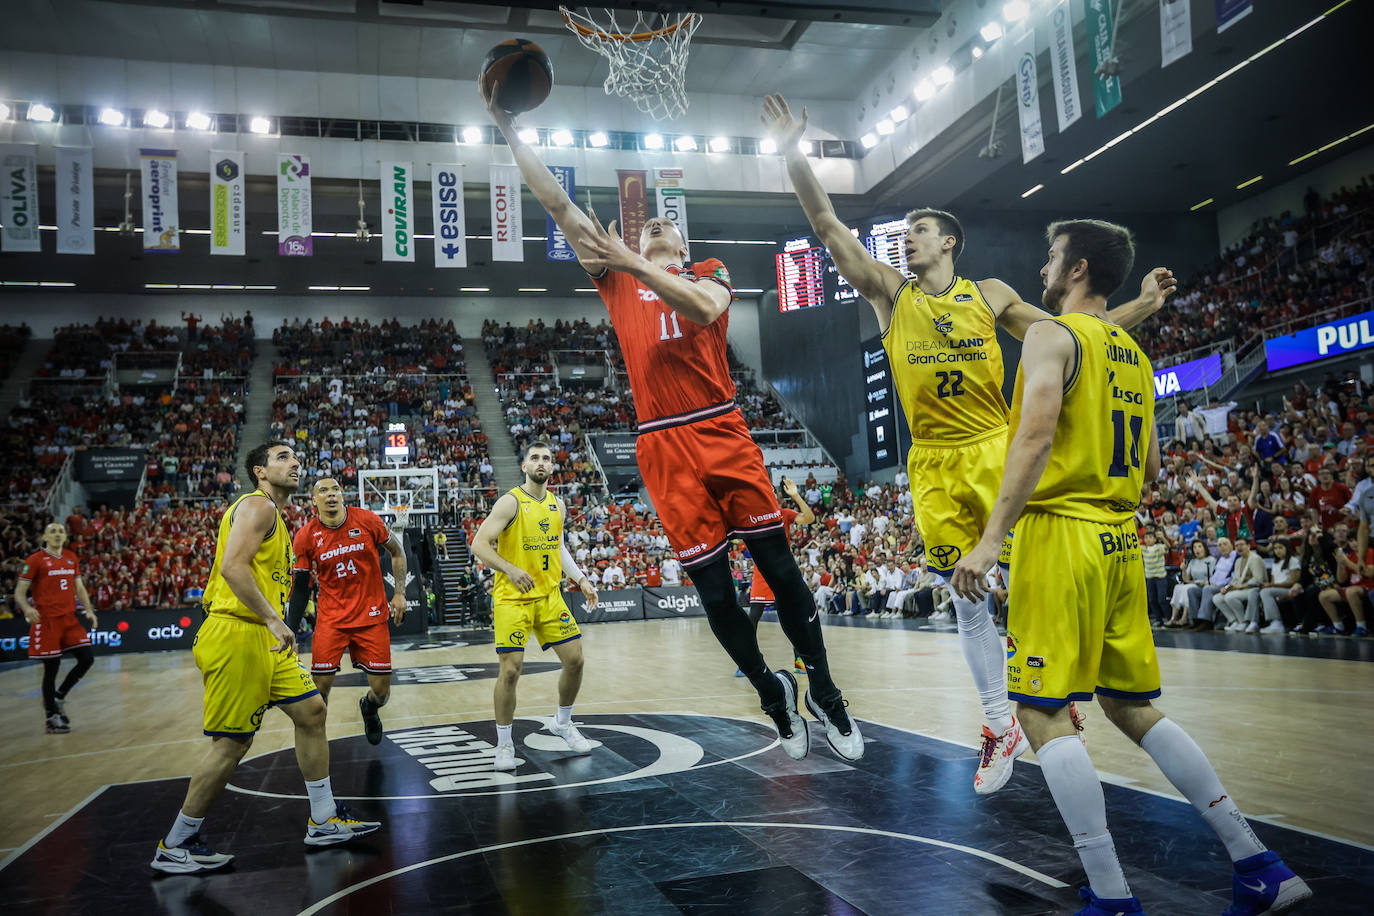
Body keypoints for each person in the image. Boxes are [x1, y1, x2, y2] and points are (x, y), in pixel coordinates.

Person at [762, 93, 1173, 791]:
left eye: (919, 231)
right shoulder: (891, 294)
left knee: (1032, 574)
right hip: (932, 461)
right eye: (905, 233)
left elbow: (1071, 336)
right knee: (966, 595)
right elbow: (828, 226)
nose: (908, 240)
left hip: (994, 445)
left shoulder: (991, 294)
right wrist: (793, 152)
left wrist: (1140, 308)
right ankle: (997, 721)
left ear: (948, 241)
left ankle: (1055, 691)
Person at [485, 84, 861, 762]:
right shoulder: (615, 280)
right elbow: (557, 203)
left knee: (780, 570)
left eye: (665, 224)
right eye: (645, 227)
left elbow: (703, 309)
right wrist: (508, 129)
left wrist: (632, 257)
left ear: (682, 243)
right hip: (662, 443)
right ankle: (771, 693)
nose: (655, 223)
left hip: (721, 427)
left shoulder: (709, 270)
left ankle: (828, 692)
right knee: (715, 595)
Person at [950, 219, 1309, 916]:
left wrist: (992, 538)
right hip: (1121, 538)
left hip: (1063, 535)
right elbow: (1148, 467)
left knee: (1041, 713)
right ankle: (1256, 862)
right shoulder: (1135, 355)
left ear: (1077, 268)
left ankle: (1112, 896)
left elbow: (1035, 436)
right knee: (1130, 705)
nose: (1043, 267)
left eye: (1051, 256)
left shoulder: (1051, 336)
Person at [151, 443, 380, 874]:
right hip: (238, 633)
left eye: (296, 458)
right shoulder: (259, 506)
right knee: (232, 744)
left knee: (312, 711)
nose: (295, 463)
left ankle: (324, 819)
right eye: (283, 457)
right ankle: (176, 843)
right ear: (260, 471)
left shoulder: (275, 514)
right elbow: (233, 568)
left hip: (262, 637)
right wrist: (276, 620)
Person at [469, 441, 600, 772]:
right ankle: (503, 744)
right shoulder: (510, 502)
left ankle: (562, 723)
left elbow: (558, 547)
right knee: (511, 670)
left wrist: (580, 579)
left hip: (549, 596)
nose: (541, 462)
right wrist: (510, 570)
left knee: (576, 661)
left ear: (552, 467)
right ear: (525, 466)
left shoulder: (558, 505)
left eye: (546, 458)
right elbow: (478, 545)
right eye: (535, 458)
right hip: (513, 598)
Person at [289, 478, 409, 745]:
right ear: (314, 500)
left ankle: (369, 707)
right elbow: (300, 588)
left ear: (342, 496)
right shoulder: (306, 536)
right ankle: (316, 746)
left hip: (371, 617)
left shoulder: (368, 520)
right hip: (331, 621)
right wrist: (290, 631)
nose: (331, 495)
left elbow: (397, 552)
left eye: (336, 490)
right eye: (323, 491)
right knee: (319, 692)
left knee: (382, 692)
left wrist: (399, 592)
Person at [15, 522, 96, 734]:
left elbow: (79, 587)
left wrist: (89, 610)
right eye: (53, 531)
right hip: (47, 620)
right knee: (52, 668)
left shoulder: (71, 557)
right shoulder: (35, 560)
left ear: (66, 536)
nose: (58, 534)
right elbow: (19, 591)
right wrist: (27, 608)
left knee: (87, 658)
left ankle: (58, 697)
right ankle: (51, 718)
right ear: (45, 537)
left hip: (69, 618)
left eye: (61, 531)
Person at [739, 476, 814, 677]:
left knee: (793, 616)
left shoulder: (784, 514)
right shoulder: (751, 515)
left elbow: (809, 519)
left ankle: (799, 660)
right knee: (753, 617)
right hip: (761, 571)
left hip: (783, 570)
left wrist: (796, 496)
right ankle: (748, 661)